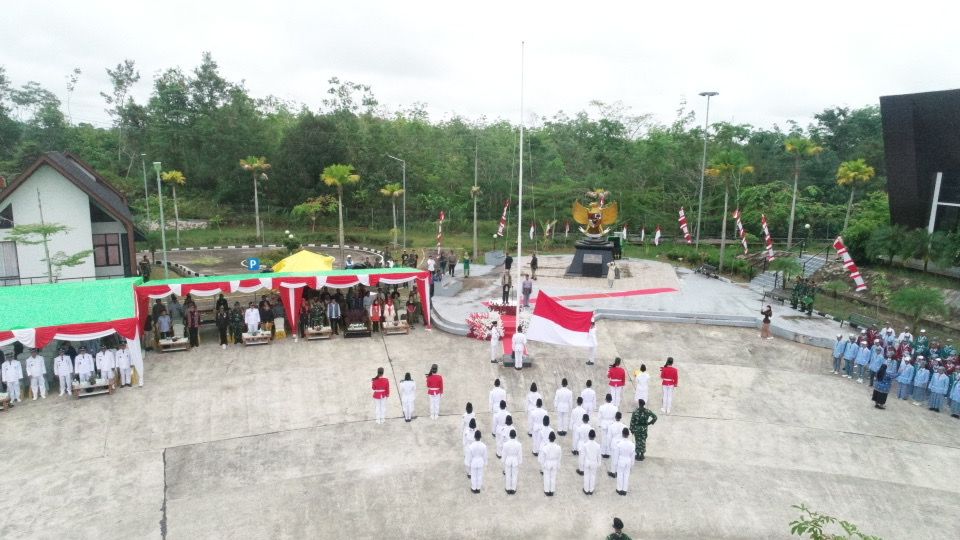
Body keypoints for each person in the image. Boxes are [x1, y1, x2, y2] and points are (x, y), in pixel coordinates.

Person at [612, 428, 636, 495]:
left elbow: (616, 454)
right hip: (628, 460)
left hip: (621, 460)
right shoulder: (632, 444)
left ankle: (619, 489)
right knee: (626, 475)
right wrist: (632, 464)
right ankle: (624, 490)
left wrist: (615, 463)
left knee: (620, 475)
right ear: (628, 435)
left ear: (622, 434)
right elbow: (632, 456)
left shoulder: (619, 444)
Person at [538, 431, 561, 496]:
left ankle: (547, 490)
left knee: (547, 477)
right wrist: (558, 465)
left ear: (549, 438)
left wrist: (543, 465)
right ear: (554, 438)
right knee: (553, 477)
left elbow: (543, 458)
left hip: (547, 463)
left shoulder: (545, 447)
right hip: (554, 463)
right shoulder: (558, 447)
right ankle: (552, 490)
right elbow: (559, 457)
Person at [606, 412, 627, 477]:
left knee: (613, 458)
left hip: (614, 443)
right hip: (621, 443)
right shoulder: (624, 426)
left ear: (615, 417)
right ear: (621, 417)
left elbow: (609, 437)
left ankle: (613, 472)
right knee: (619, 458)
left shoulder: (611, 426)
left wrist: (608, 445)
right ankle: (619, 471)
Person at [581, 429, 602, 495]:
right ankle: (591, 490)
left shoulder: (585, 445)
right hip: (594, 462)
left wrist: (582, 463)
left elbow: (583, 455)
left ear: (588, 436)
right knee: (593, 476)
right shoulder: (598, 446)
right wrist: (599, 463)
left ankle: (586, 489)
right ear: (594, 436)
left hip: (587, 462)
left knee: (586, 476)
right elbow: (599, 456)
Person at [502, 428, 522, 494]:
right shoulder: (519, 444)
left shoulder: (505, 444)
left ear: (509, 436)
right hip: (515, 460)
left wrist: (503, 461)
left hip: (508, 459)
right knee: (514, 475)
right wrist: (519, 461)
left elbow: (504, 454)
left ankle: (508, 488)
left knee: (508, 474)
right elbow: (519, 454)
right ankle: (513, 488)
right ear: (515, 436)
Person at [597, 394, 618, 458]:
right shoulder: (615, 408)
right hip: (611, 423)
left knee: (604, 438)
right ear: (611, 400)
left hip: (604, 423)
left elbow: (599, 417)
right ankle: (609, 452)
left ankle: (603, 452)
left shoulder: (601, 407)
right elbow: (615, 417)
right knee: (610, 439)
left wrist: (599, 424)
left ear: (605, 399)